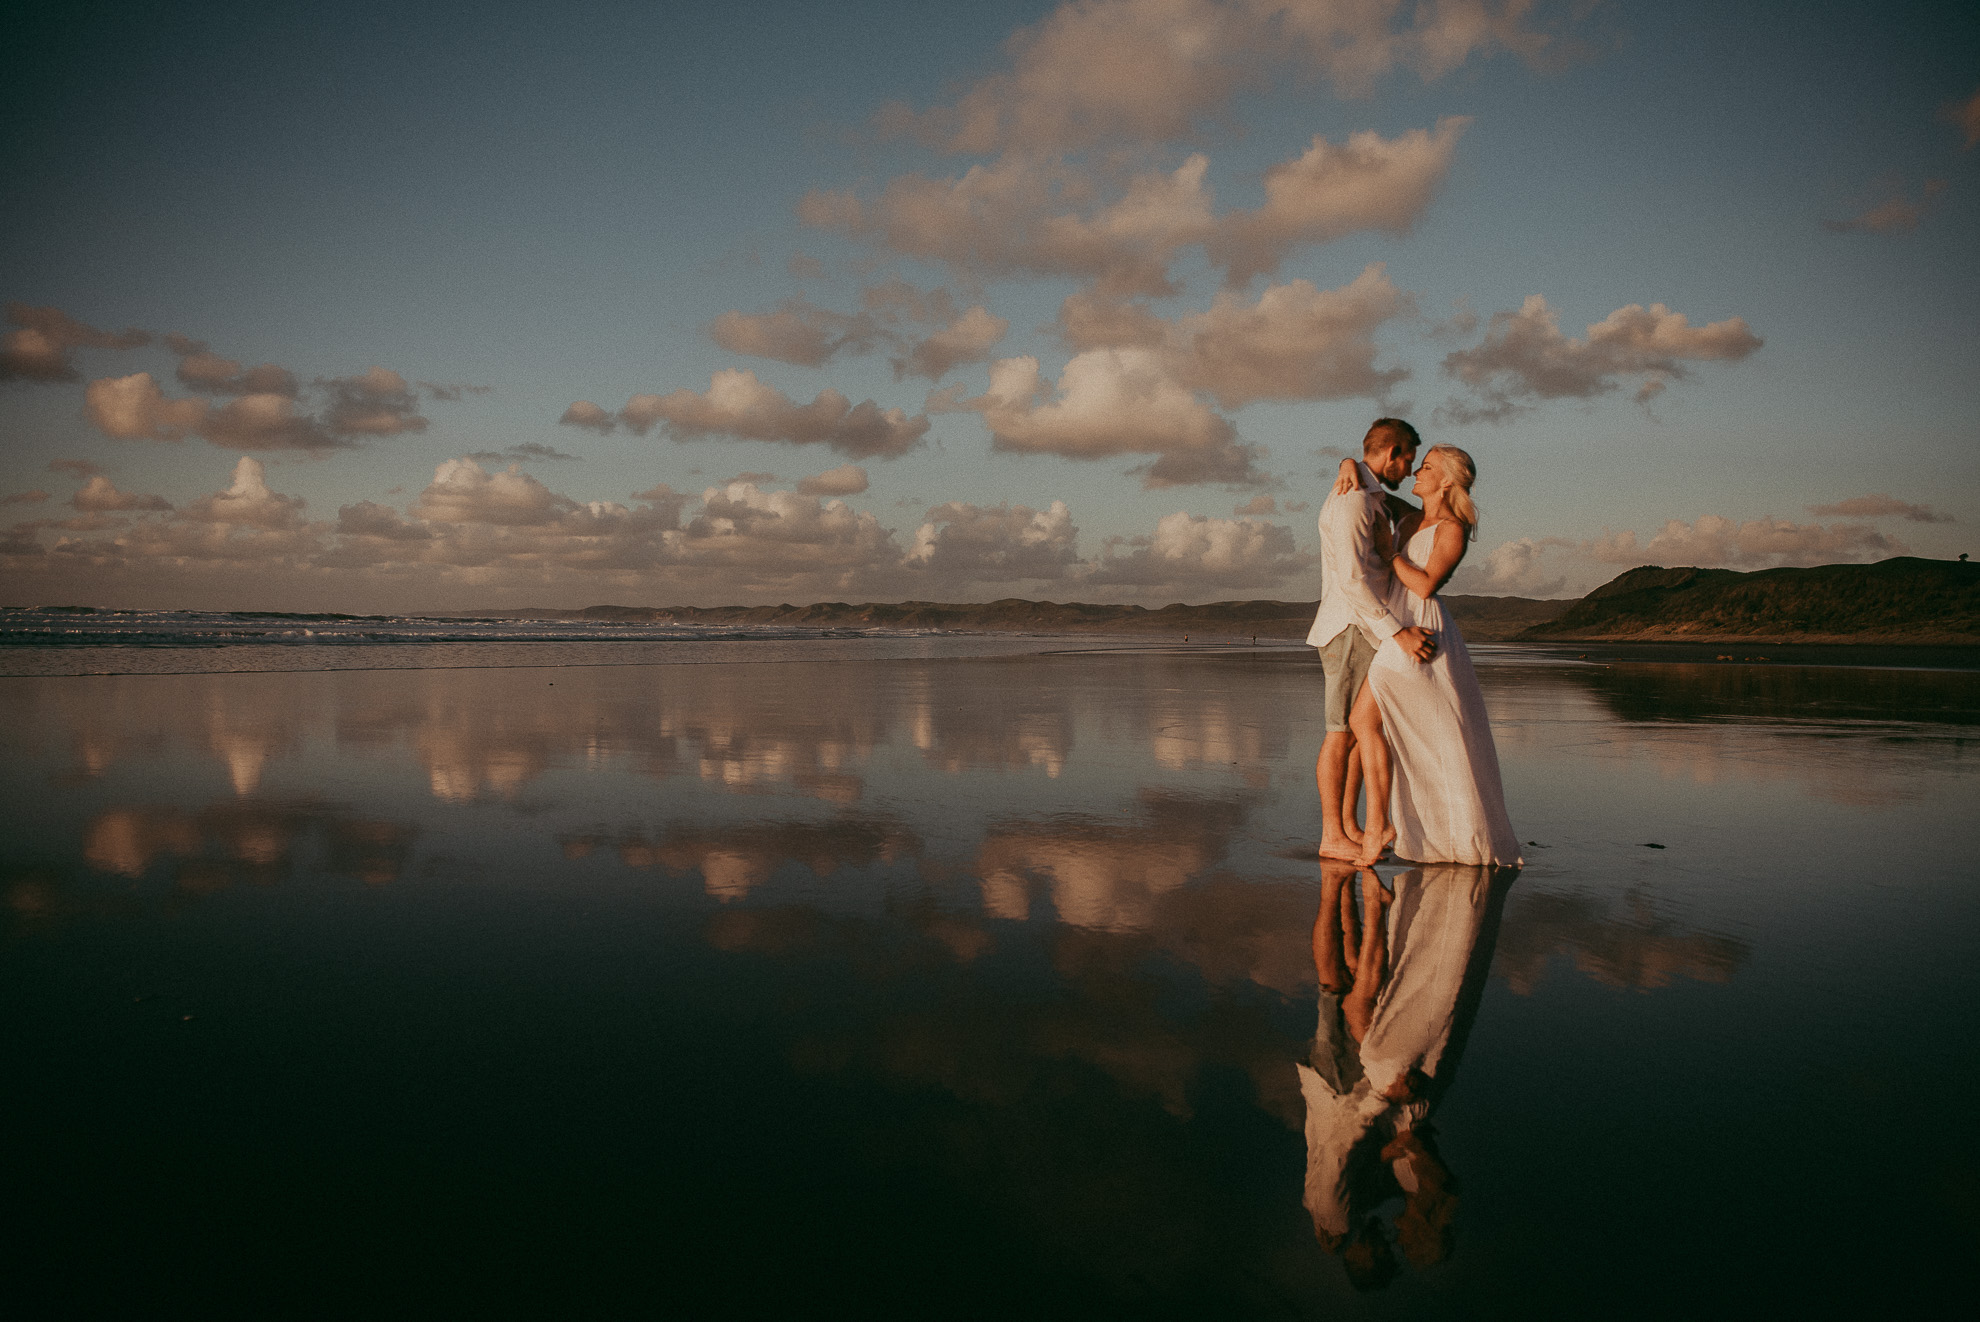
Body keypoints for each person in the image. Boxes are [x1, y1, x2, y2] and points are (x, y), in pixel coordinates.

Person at [1331, 444, 1521, 867]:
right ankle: (1380, 824)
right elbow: (1370, 485)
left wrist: (1390, 552)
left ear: (1448, 480)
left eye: (1428, 467)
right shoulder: (1411, 516)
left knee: (1368, 720)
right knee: (1371, 722)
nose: (1417, 470)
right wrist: (1348, 463)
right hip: (1397, 626)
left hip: (1421, 629)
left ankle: (1378, 825)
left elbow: (1425, 585)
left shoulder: (1452, 528)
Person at [1308, 420, 1437, 864]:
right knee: (1340, 734)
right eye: (1408, 458)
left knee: (1361, 734)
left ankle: (1348, 828)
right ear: (1393, 452)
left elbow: (1413, 509)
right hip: (1351, 629)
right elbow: (1350, 579)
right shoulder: (1353, 502)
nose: (1410, 467)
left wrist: (1350, 462)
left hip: (1367, 630)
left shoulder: (1372, 497)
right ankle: (1331, 834)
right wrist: (1397, 632)